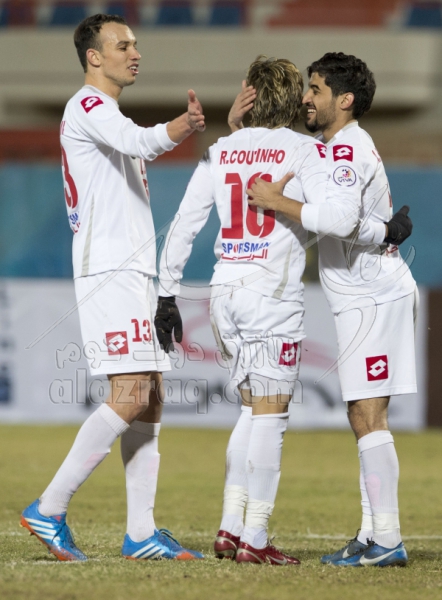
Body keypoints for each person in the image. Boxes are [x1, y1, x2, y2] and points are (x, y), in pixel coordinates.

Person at [20, 13, 205, 562]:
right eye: (122, 45)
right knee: (131, 392)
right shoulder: (88, 106)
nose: (135, 52)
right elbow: (141, 142)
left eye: (135, 43)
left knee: (150, 393)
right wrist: (183, 126)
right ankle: (49, 507)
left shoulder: (106, 114)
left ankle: (141, 533)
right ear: (93, 57)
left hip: (132, 272)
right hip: (109, 270)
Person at [237, 52, 416, 567]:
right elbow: (341, 215)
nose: (306, 97)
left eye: (316, 89)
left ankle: (387, 540)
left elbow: (336, 220)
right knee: (364, 413)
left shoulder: (345, 151)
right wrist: (385, 228)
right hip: (365, 295)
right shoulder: (329, 149)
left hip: (372, 296)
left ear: (345, 99)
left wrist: (276, 201)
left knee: (367, 414)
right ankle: (372, 533)